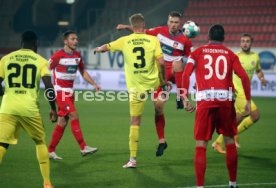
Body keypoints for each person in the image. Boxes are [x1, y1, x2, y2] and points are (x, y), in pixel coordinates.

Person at [94, 13, 170, 168]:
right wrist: (163, 81)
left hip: (136, 88)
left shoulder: (124, 41)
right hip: (154, 83)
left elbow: (106, 47)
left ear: (132, 26)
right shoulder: (153, 39)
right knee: (159, 109)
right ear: (144, 25)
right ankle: (161, 138)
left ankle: (132, 159)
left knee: (135, 121)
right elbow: (161, 62)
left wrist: (98, 49)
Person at [182, 24, 251, 188]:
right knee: (229, 141)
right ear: (224, 38)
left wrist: (184, 97)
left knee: (201, 145)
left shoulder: (197, 52)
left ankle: (200, 186)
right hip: (225, 102)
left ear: (208, 37)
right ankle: (233, 184)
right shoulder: (230, 54)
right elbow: (244, 77)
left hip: (205, 102)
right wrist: (247, 100)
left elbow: (185, 74)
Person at [117, 11, 192, 156]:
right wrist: (126, 27)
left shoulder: (185, 40)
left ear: (180, 24)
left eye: (176, 22)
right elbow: (141, 31)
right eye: (171, 21)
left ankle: (181, 97)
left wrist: (182, 60)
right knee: (158, 107)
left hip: (176, 74)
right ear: (168, 21)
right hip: (161, 75)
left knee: (178, 65)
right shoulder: (158, 32)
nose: (173, 24)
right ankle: (162, 141)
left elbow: (190, 59)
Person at [0, 31, 57, 188]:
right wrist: (53, 109)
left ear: (21, 42)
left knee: (2, 144)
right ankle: (47, 183)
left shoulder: (6, 59)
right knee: (39, 142)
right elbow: (49, 87)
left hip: (7, 108)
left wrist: (5, 93)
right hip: (29, 109)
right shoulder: (40, 61)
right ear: (36, 43)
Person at [48, 30, 101, 160]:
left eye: (76, 39)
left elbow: (83, 71)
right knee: (74, 115)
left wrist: (94, 84)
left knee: (62, 121)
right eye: (72, 39)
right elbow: (45, 69)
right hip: (60, 92)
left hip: (70, 92)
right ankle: (83, 147)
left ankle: (50, 150)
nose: (76, 41)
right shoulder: (57, 56)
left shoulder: (77, 55)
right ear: (65, 41)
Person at [212, 33, 267, 154]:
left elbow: (258, 71)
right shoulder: (235, 56)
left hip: (245, 91)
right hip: (237, 91)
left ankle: (223, 140)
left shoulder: (255, 57)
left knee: (238, 118)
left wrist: (262, 78)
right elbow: (224, 72)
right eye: (242, 41)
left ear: (251, 43)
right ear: (240, 43)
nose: (245, 43)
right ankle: (219, 141)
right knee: (254, 115)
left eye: (247, 41)